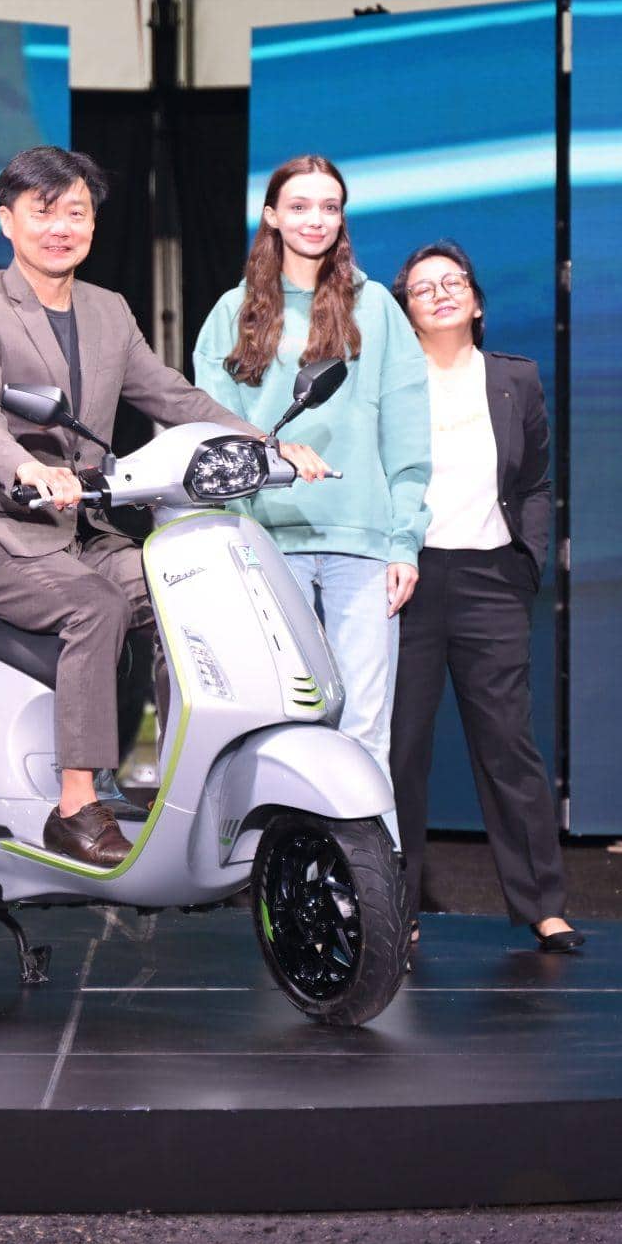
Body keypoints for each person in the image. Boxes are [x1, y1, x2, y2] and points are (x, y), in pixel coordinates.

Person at [0, 146, 326, 868]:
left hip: (80, 530)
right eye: (43, 212)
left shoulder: (107, 309)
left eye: (76, 212)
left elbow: (171, 395)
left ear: (94, 223)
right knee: (96, 607)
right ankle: (76, 806)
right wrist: (28, 468)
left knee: (188, 592)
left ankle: (180, 781)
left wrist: (267, 444)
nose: (61, 228)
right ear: (8, 221)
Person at [191, 155, 430, 783]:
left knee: (365, 731)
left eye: (329, 207)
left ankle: (368, 852)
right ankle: (279, 849)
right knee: (277, 725)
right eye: (299, 206)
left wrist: (404, 541)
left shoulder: (376, 308)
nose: (315, 219)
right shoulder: (233, 312)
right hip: (266, 545)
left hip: (364, 545)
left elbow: (406, 432)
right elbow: (214, 428)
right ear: (271, 215)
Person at [385, 240, 579, 954]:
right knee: (399, 751)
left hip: (491, 580)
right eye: (422, 287)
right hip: (406, 580)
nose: (440, 293)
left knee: (509, 747)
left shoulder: (515, 378)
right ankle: (393, 907)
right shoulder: (389, 384)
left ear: (476, 300)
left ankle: (543, 905)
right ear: (405, 310)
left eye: (453, 281)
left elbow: (535, 482)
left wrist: (527, 560)